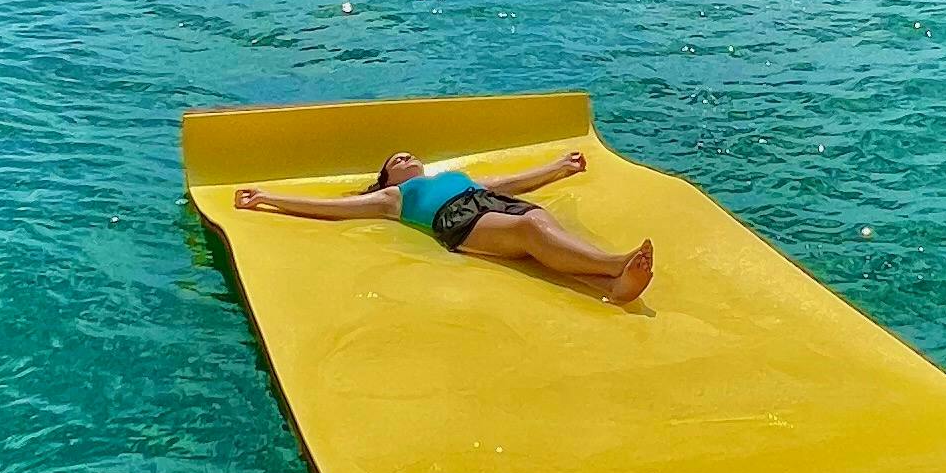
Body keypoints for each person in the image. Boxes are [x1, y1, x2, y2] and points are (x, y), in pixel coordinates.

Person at [236, 143, 654, 305]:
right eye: (395, 160)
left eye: (408, 154)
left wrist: (559, 166)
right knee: (531, 233)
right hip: (458, 219)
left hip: (488, 202)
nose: (405, 157)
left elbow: (510, 182)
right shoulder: (394, 198)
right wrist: (269, 198)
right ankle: (614, 263)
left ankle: (612, 286)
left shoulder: (455, 176)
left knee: (539, 221)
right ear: (386, 178)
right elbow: (331, 207)